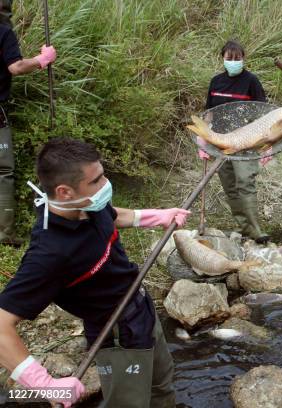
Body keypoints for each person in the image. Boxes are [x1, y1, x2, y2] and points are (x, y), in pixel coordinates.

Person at [0, 138, 188, 407]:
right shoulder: (50, 254)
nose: (106, 185)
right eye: (97, 181)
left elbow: (113, 216)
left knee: (161, 387)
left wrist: (157, 216)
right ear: (64, 191)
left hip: (142, 309)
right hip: (117, 334)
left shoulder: (87, 205)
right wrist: (44, 384)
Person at [197, 39, 271, 243]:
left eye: (237, 58)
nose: (233, 61)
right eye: (229, 58)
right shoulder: (216, 81)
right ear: (223, 58)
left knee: (245, 182)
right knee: (229, 185)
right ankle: (244, 227)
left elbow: (262, 114)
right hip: (220, 141)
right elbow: (209, 114)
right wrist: (202, 140)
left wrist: (266, 146)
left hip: (246, 141)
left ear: (243, 58)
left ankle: (256, 231)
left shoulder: (251, 81)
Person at [0, 0, 57, 245]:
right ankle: (3, 234)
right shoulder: (3, 31)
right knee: (2, 171)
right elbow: (16, 66)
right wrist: (41, 59)